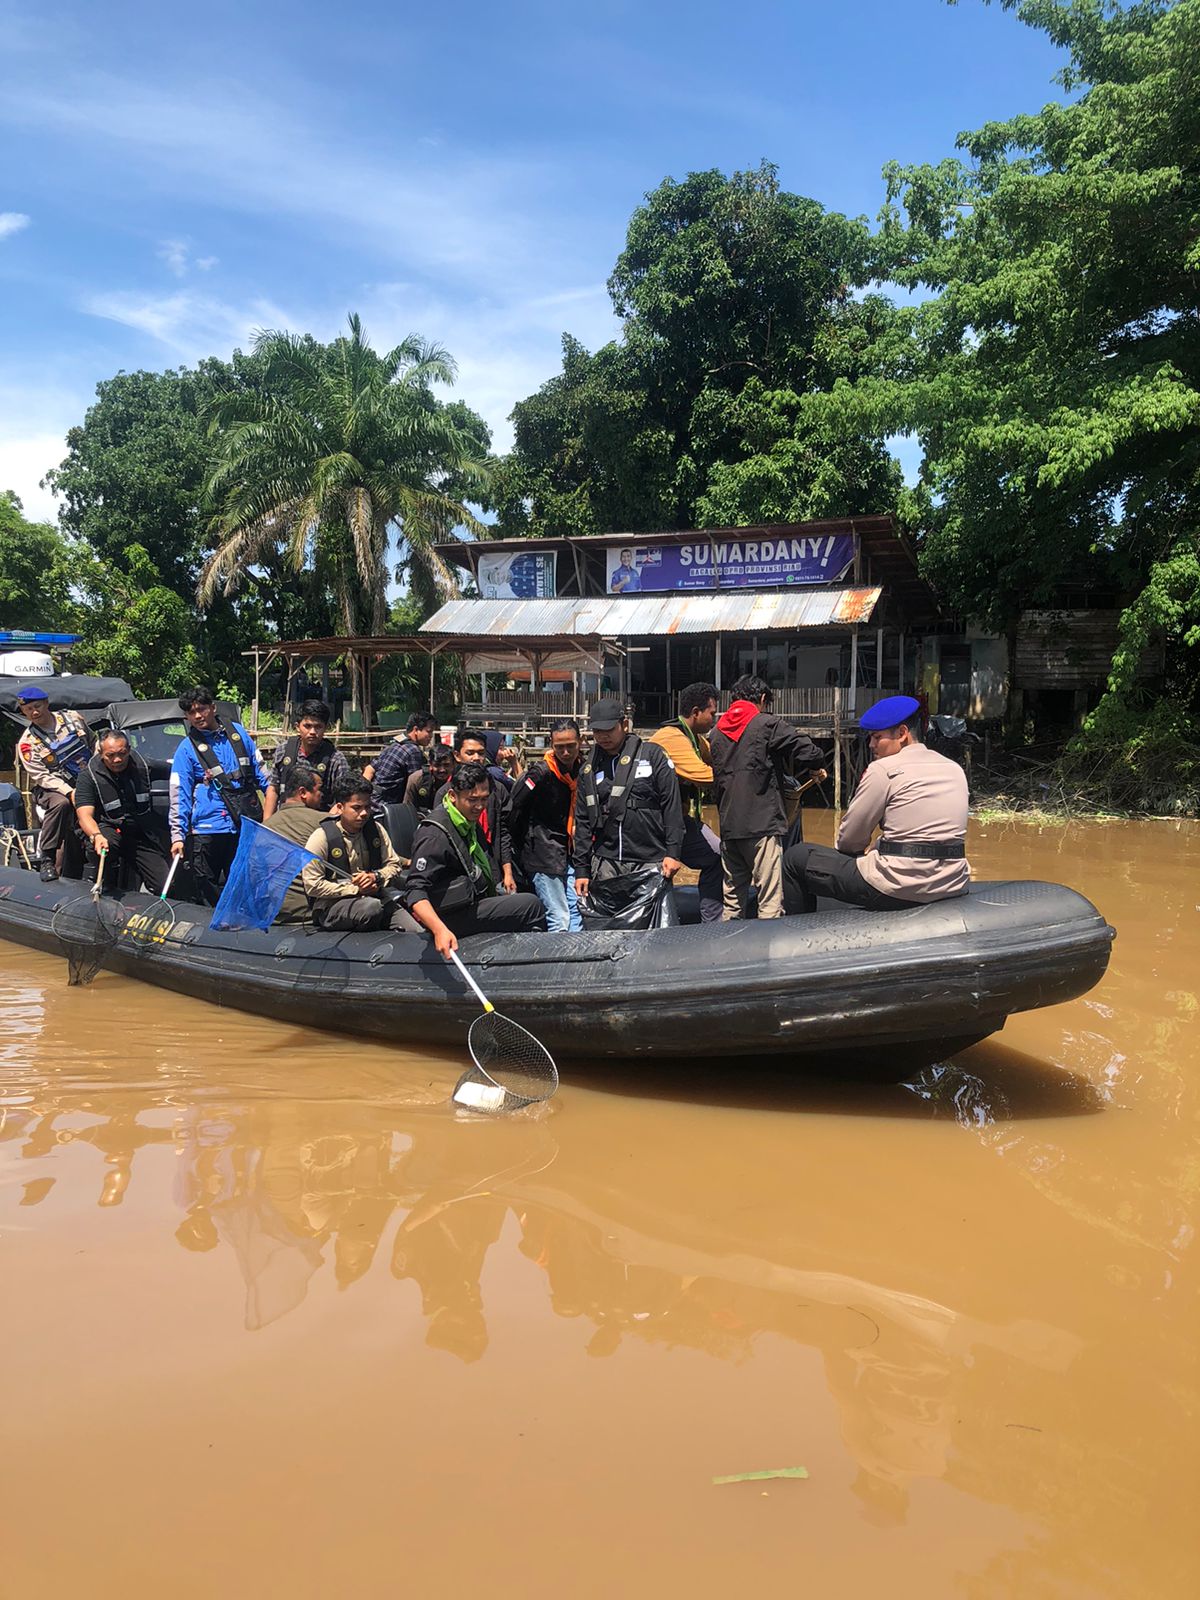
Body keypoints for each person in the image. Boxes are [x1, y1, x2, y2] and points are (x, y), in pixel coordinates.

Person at [783, 696, 970, 914]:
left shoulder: (882, 770)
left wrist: (870, 849)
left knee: (794, 858)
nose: (871, 745)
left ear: (902, 734)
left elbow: (849, 840)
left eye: (876, 737)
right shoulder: (954, 769)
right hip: (953, 882)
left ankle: (794, 933)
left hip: (900, 887)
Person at [709, 674, 825, 920]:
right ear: (762, 699)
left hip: (729, 827)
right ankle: (767, 956)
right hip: (761, 826)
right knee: (770, 903)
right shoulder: (765, 724)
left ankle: (730, 953)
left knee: (732, 905)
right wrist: (817, 764)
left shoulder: (716, 732)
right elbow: (808, 750)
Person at [405, 763, 546, 956]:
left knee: (519, 896)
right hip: (449, 915)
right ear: (453, 796)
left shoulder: (467, 823)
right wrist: (439, 930)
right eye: (472, 800)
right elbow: (415, 891)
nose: (479, 807)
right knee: (531, 905)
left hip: (472, 897)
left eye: (484, 799)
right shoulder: (434, 836)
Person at [573, 698, 683, 905]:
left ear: (624, 725)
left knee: (653, 930)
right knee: (612, 931)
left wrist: (673, 853)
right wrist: (582, 869)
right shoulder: (588, 769)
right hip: (608, 862)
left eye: (609, 729)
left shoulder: (652, 756)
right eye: (597, 731)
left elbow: (672, 806)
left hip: (650, 861)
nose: (603, 736)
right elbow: (582, 822)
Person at [169, 685, 269, 907]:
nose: (197, 716)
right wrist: (178, 835)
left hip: (244, 823)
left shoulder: (239, 735)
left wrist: (274, 815)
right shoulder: (186, 750)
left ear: (213, 708)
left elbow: (264, 776)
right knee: (207, 882)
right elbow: (179, 794)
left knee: (245, 879)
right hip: (208, 828)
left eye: (202, 709)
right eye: (191, 712)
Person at [648, 682, 724, 924]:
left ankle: (712, 922)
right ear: (695, 712)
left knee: (717, 855)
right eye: (712, 713)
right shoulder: (671, 737)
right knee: (663, 872)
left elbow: (715, 759)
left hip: (678, 819)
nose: (714, 719)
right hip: (656, 824)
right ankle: (660, 923)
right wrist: (742, 777)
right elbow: (703, 774)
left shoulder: (694, 738)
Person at [300, 775, 415, 932]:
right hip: (334, 905)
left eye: (367, 807)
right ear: (340, 807)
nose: (364, 813)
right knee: (371, 908)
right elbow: (312, 885)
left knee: (415, 931)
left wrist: (376, 877)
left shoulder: (376, 830)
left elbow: (394, 864)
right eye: (356, 808)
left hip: (376, 896)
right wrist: (355, 889)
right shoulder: (322, 837)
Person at [506, 718, 583, 932]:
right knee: (559, 917)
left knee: (577, 911)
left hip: (570, 852)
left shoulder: (582, 771)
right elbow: (514, 809)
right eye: (560, 747)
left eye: (570, 746)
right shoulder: (540, 774)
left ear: (581, 742)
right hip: (543, 852)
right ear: (551, 744)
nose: (565, 753)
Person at [74, 729, 173, 894]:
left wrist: (202, 775)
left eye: (122, 753)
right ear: (100, 753)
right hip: (107, 830)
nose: (117, 759)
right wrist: (96, 836)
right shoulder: (88, 776)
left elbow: (177, 771)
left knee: (165, 885)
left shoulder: (143, 765)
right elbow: (84, 815)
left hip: (138, 833)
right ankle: (105, 882)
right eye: (110, 755)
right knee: (104, 844)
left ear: (129, 750)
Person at [14, 684, 91, 881]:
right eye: (28, 709)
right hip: (53, 786)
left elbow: (93, 742)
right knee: (61, 804)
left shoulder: (73, 719)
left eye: (38, 706)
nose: (34, 712)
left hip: (87, 777)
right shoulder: (28, 742)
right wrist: (69, 791)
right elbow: (41, 775)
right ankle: (47, 858)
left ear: (47, 703)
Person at [434, 728, 517, 894]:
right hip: (462, 870)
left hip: (492, 863)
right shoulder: (446, 793)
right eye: (470, 753)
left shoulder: (497, 789)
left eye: (481, 753)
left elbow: (504, 832)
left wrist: (508, 872)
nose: (476, 758)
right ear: (457, 756)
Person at [261, 698, 350, 820]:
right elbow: (273, 789)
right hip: (285, 821)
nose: (312, 732)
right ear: (297, 727)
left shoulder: (336, 759)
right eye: (307, 726)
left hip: (319, 825)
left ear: (325, 728)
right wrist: (267, 824)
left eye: (318, 727)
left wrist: (327, 823)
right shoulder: (284, 751)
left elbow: (344, 798)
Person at [262, 762, 328, 923]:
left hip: (270, 914)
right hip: (307, 915)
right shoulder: (324, 822)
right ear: (303, 792)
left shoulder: (265, 827)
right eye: (319, 789)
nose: (322, 795)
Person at [363, 711, 438, 806]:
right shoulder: (413, 751)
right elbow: (416, 785)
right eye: (429, 731)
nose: (431, 736)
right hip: (388, 805)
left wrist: (363, 795)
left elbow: (369, 769)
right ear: (416, 730)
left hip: (372, 800)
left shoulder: (394, 743)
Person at [403, 742, 455, 813]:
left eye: (446, 765)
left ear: (453, 764)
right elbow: (407, 808)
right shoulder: (417, 779)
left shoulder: (458, 780)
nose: (442, 770)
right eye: (437, 765)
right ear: (430, 764)